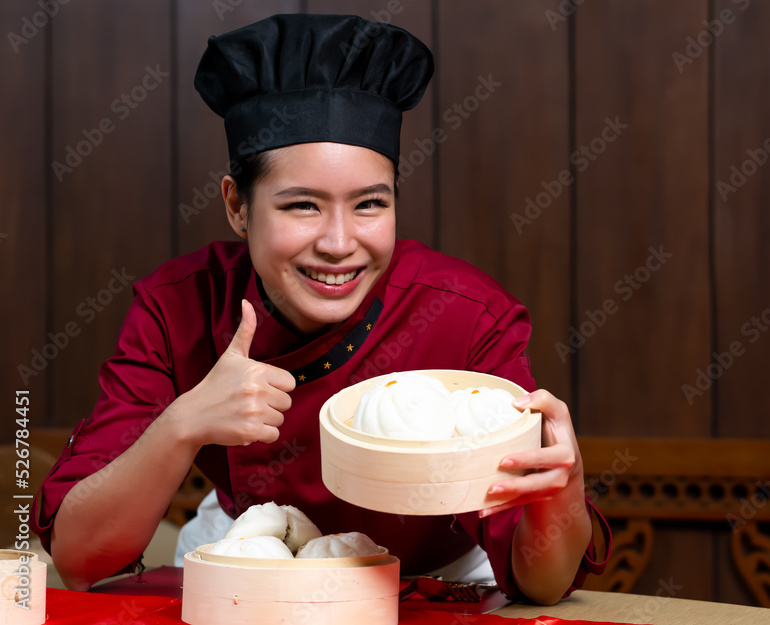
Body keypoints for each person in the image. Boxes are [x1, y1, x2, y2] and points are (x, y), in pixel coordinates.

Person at [30, 13, 609, 604]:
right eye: (302, 205)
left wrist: (564, 486)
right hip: (254, 559)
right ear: (237, 205)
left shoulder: (468, 317)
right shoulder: (176, 307)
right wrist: (184, 423)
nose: (338, 243)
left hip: (441, 584)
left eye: (369, 205)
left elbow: (544, 581)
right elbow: (79, 560)